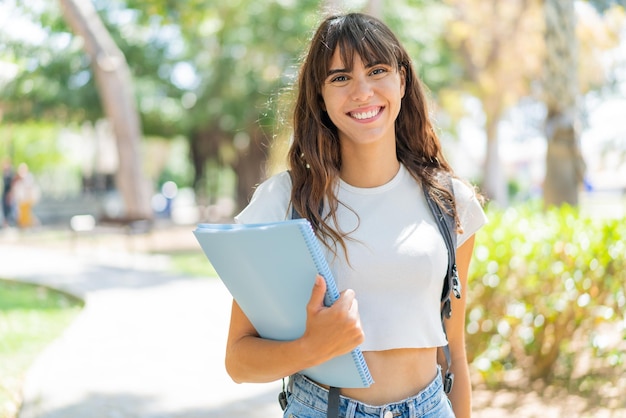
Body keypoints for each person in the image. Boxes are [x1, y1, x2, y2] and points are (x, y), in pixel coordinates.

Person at [229, 12, 487, 418]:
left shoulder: (449, 201)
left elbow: (454, 352)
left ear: (402, 80)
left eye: (377, 70)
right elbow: (239, 361)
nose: (362, 91)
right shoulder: (284, 202)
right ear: (320, 95)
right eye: (340, 78)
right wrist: (310, 348)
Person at [2, 158, 15, 228]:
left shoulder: (10, 174)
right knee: (4, 208)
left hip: (8, 193)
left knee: (9, 208)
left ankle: (8, 222)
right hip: (4, 193)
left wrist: (10, 194)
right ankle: (5, 223)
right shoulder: (4, 173)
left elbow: (11, 185)